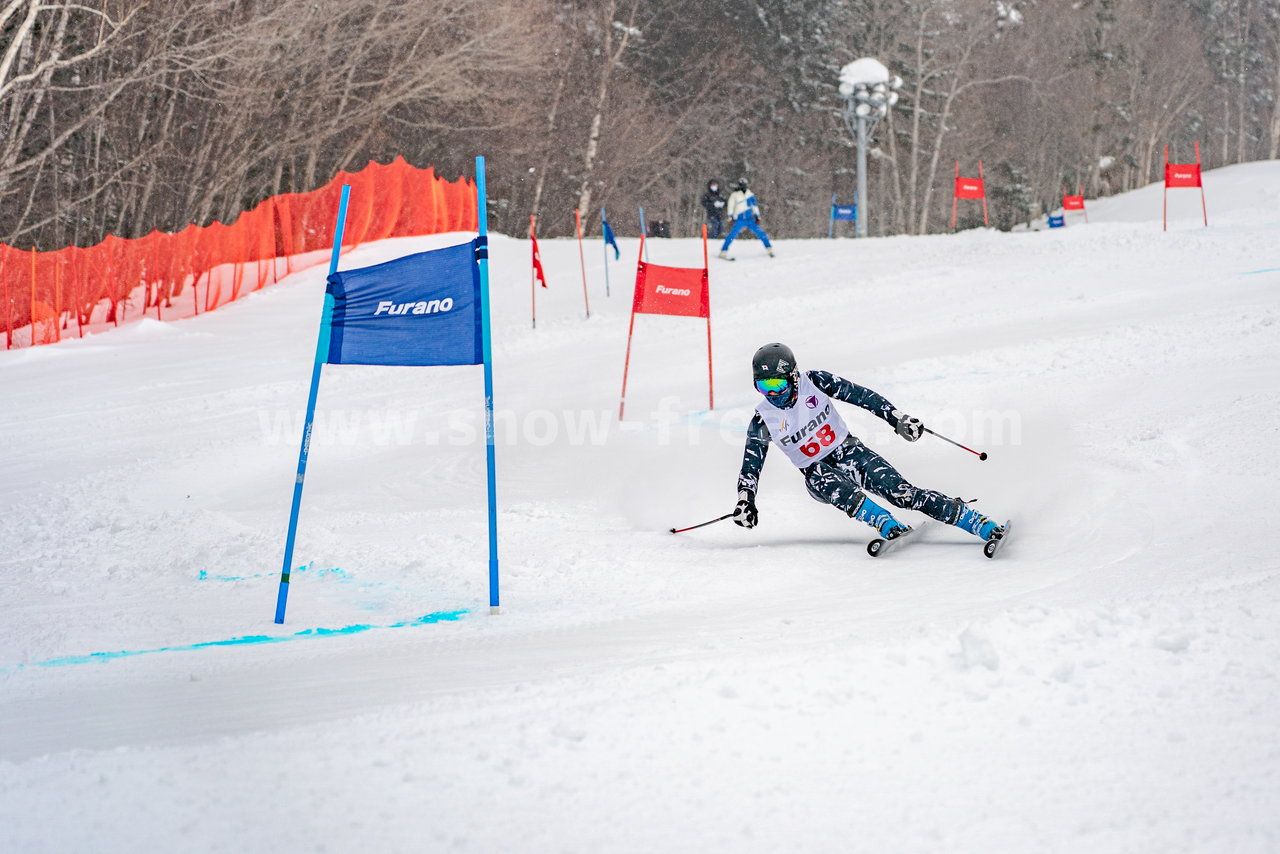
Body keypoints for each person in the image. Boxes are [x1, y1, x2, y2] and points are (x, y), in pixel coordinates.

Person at [732, 342, 1006, 545]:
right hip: (818, 477)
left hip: (849, 452)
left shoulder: (815, 382)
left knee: (903, 494)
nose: (772, 394)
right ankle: (881, 520)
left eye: (777, 385)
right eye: (764, 387)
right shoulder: (763, 419)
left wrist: (896, 418)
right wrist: (746, 500)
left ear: (792, 377)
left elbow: (862, 396)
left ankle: (974, 521)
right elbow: (750, 467)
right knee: (819, 473)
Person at [718, 178, 774, 259]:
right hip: (739, 219)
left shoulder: (750, 194)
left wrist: (757, 216)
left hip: (749, 218)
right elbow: (731, 206)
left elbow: (754, 206)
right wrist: (730, 217)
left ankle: (769, 249)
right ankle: (723, 251)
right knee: (732, 235)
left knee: (760, 233)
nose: (743, 187)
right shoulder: (735, 195)